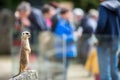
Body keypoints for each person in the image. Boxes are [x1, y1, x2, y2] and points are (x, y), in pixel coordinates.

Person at [96, 0, 120, 80]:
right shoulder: (118, 5)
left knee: (104, 68)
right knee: (114, 67)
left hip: (104, 39)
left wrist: (97, 36)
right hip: (116, 38)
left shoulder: (104, 6)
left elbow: (101, 23)